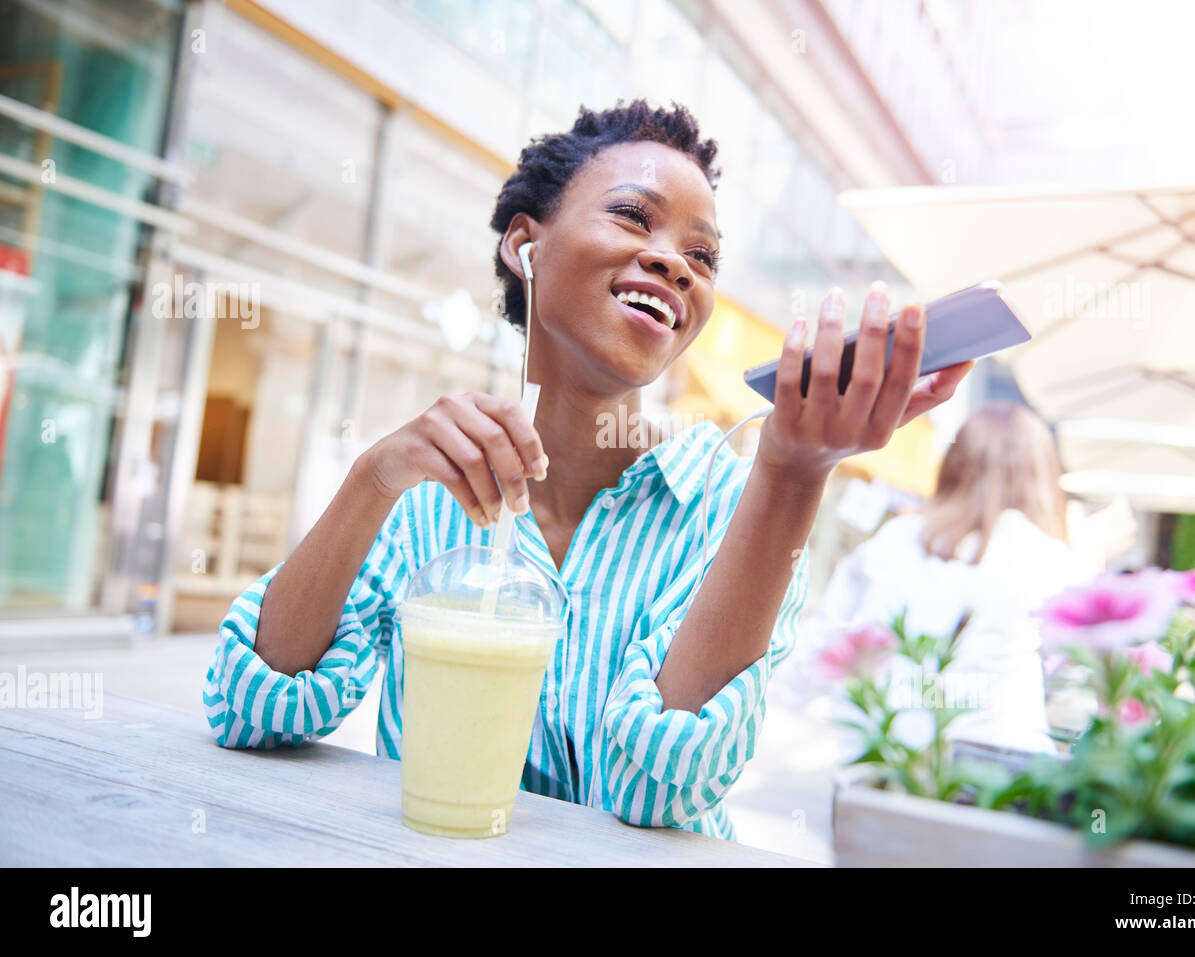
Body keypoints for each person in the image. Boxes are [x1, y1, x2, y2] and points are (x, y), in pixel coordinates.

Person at [201, 100, 972, 839]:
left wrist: (794, 472)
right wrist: (372, 479)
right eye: (634, 216)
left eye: (702, 256)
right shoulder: (425, 493)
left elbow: (662, 787)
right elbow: (252, 710)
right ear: (524, 244)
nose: (675, 263)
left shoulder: (731, 509)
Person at [803, 400, 1092, 755]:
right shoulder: (1048, 558)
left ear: (954, 466)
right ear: (1043, 477)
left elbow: (820, 648)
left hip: (885, 763)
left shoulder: (895, 539)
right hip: (1000, 774)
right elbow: (1083, 680)